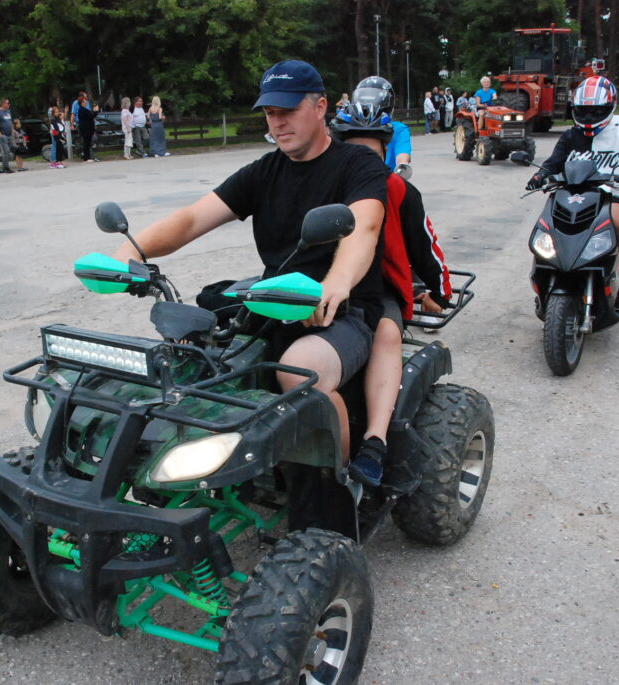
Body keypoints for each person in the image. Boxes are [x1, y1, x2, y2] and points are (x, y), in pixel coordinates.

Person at [111, 60, 387, 462]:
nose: (278, 122)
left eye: (288, 110)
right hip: (274, 303)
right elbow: (192, 219)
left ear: (320, 107)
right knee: (188, 359)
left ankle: (338, 480)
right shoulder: (263, 171)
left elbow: (364, 225)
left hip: (341, 310)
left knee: (300, 371)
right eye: (270, 112)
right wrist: (133, 250)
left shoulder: (358, 164)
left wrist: (336, 283)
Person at [330, 102, 452, 486]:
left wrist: (439, 291)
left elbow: (424, 244)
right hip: (323, 281)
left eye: (371, 152)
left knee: (386, 333)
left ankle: (375, 441)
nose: (362, 160)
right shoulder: (324, 183)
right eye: (352, 150)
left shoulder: (397, 189)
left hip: (379, 287)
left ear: (384, 151)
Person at [525, 75, 619, 310]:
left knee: (618, 223)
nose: (589, 117)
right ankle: (544, 278)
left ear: (610, 107)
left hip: (608, 194)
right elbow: (553, 162)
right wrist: (539, 176)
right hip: (569, 193)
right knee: (546, 227)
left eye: (596, 111)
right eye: (584, 111)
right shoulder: (570, 135)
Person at [353, 76, 411, 177]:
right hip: (356, 180)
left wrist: (402, 165)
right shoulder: (349, 128)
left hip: (386, 179)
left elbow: (402, 156)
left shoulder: (398, 129)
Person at [73, 92, 97, 162]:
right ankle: (87, 157)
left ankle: (88, 156)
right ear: (82, 102)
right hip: (86, 129)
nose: (86, 102)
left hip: (87, 129)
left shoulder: (83, 109)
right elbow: (91, 116)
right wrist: (95, 111)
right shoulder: (82, 110)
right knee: (86, 143)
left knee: (88, 143)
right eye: (84, 101)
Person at [0, 98, 15, 173]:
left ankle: (6, 166)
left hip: (9, 134)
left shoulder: (8, 111)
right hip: (3, 135)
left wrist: (12, 130)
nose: (9, 104)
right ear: (3, 104)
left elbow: (10, 122)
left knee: (9, 151)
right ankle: (5, 167)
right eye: (7, 103)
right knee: (6, 150)